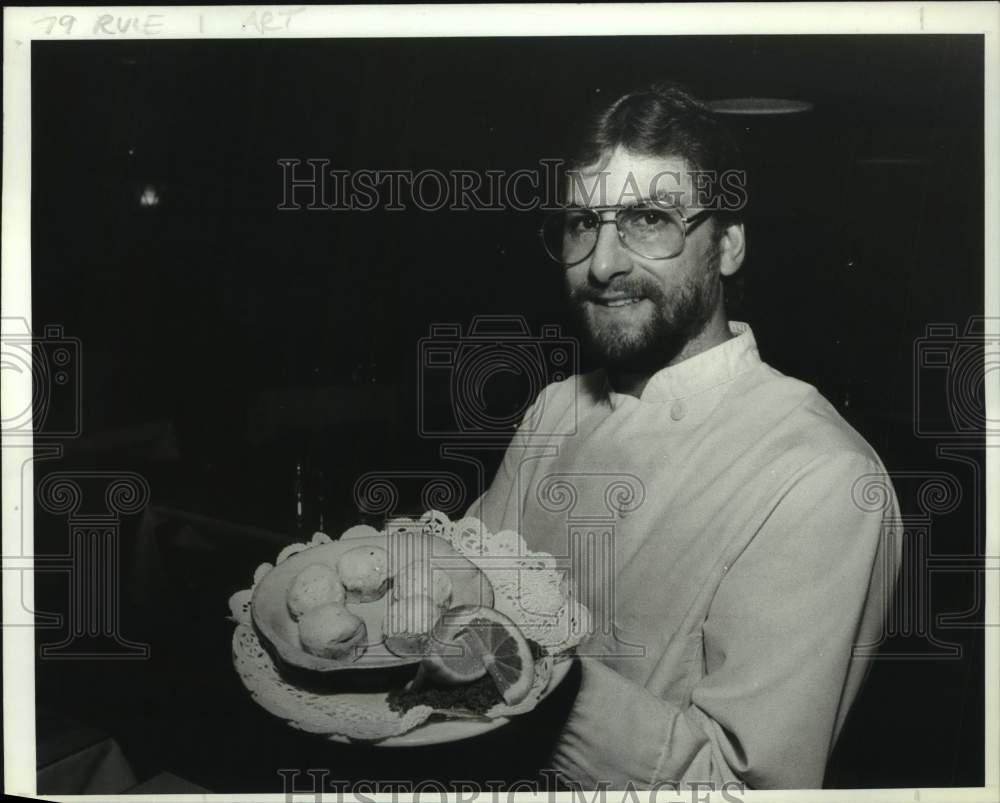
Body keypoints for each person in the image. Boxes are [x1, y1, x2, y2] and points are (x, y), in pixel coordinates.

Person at [466, 82, 901, 789]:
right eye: (582, 222)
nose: (602, 263)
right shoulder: (554, 409)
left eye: (646, 219)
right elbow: (467, 593)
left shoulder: (821, 476)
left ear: (727, 245)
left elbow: (739, 784)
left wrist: (549, 691)